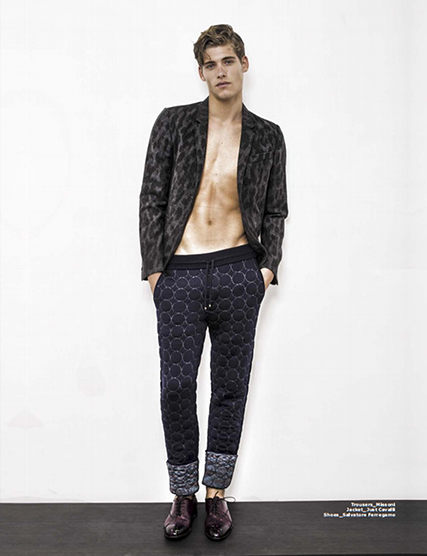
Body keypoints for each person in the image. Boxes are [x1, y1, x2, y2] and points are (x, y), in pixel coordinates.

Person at [139, 23, 288, 541]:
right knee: (177, 386)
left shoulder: (267, 135)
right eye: (210, 64)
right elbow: (152, 199)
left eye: (228, 61)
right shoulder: (174, 123)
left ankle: (216, 494)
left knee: (230, 387)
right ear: (200, 72)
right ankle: (182, 494)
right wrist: (155, 272)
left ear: (243, 64)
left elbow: (276, 209)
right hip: (179, 272)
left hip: (238, 270)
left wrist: (265, 270)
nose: (220, 71)